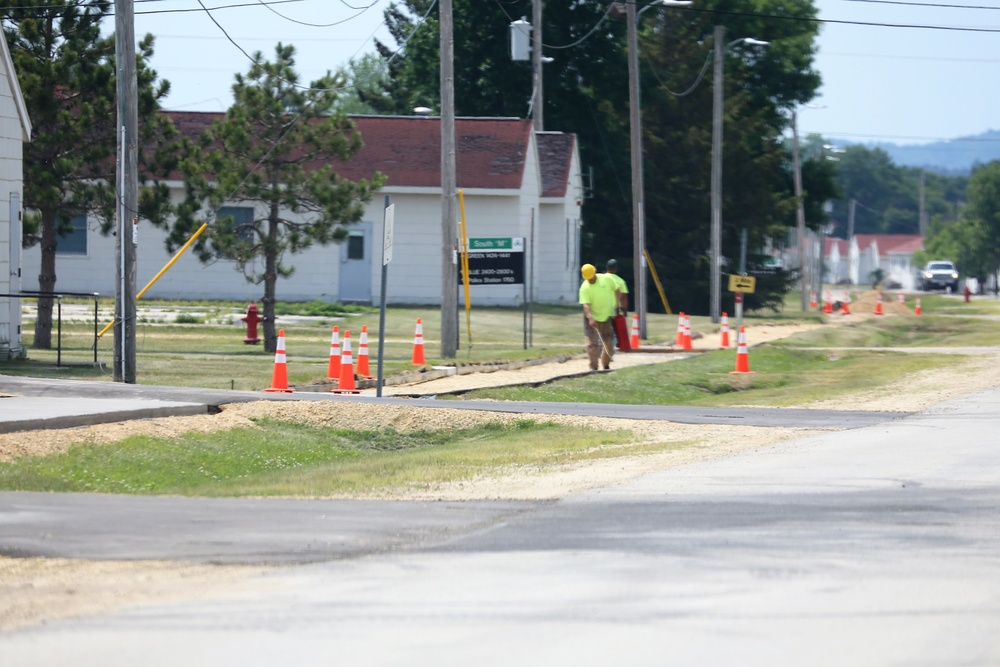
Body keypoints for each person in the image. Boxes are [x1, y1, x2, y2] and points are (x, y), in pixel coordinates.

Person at [578, 263, 617, 371]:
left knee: (608, 341)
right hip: (592, 317)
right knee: (592, 343)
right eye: (588, 278)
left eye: (591, 277)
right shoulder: (584, 287)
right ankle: (593, 366)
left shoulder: (606, 279)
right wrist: (590, 318)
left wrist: (616, 303)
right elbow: (586, 305)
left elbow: (616, 289)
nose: (590, 280)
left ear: (595, 272)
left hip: (606, 316)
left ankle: (606, 364)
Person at [603, 259, 629, 349]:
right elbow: (623, 297)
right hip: (614, 308)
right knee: (614, 328)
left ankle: (602, 344)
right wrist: (624, 310)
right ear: (616, 269)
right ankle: (615, 344)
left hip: (600, 307)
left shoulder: (601, 278)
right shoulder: (620, 281)